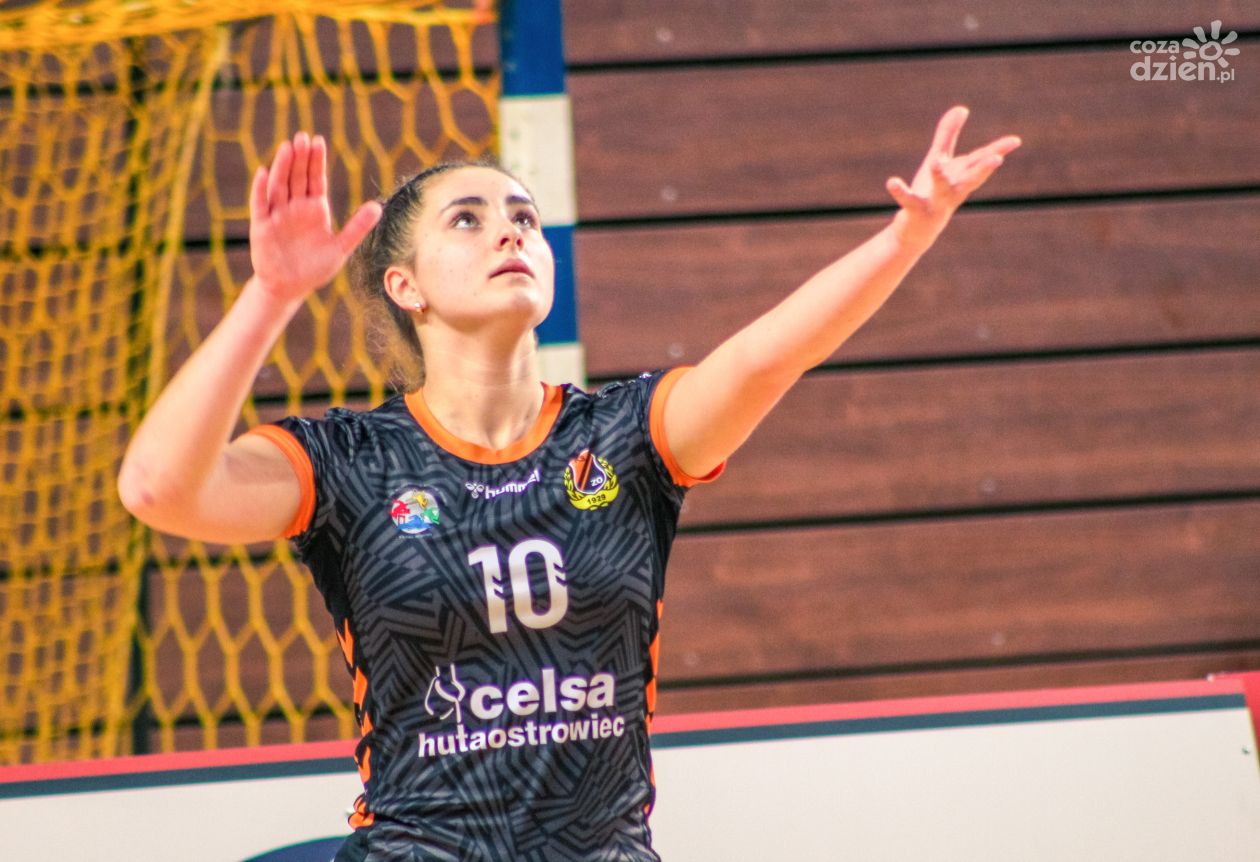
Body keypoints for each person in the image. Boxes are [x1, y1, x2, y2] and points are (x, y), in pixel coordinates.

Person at [118, 108, 1019, 860]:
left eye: (524, 215)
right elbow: (157, 489)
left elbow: (767, 358)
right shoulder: (349, 460)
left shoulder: (626, 436)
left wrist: (909, 233)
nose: (510, 229)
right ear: (405, 286)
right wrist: (272, 296)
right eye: (467, 219)